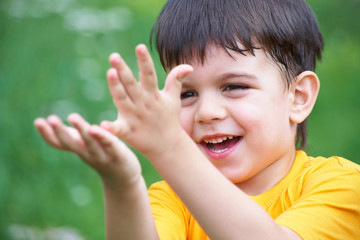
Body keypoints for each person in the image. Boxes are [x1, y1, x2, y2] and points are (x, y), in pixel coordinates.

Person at [34, 0, 360, 239]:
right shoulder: (171, 199)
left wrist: (170, 148)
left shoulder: (342, 185)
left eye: (234, 86)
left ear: (298, 97)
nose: (206, 113)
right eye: (187, 94)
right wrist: (121, 183)